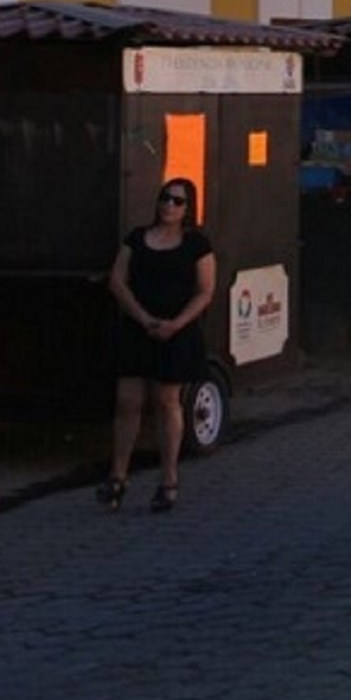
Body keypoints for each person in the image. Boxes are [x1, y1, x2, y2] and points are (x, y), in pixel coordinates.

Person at [96, 177, 217, 514]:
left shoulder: (197, 245)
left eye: (178, 201)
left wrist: (176, 323)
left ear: (188, 208)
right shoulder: (137, 238)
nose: (169, 206)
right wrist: (143, 317)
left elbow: (205, 290)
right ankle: (117, 476)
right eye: (165, 198)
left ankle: (168, 479)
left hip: (175, 330)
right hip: (138, 328)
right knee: (128, 401)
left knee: (167, 402)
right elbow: (117, 281)